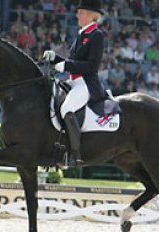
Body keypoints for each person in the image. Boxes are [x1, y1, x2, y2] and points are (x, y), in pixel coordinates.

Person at [43, 0, 120, 166]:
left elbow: (92, 65)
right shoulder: (82, 34)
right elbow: (73, 61)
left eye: (81, 12)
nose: (77, 15)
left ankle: (74, 154)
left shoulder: (96, 35)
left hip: (86, 83)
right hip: (73, 81)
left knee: (66, 108)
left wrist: (66, 65)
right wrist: (55, 58)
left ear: (91, 15)